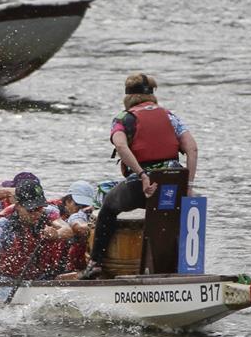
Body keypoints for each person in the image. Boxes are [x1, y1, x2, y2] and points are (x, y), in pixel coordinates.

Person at [81, 73, 199, 279]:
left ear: (128, 97)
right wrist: (188, 185)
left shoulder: (124, 118)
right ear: (152, 96)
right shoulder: (170, 116)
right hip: (174, 182)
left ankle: (96, 263)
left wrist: (142, 175)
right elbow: (192, 149)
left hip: (144, 185)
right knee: (176, 213)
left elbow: (120, 144)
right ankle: (183, 265)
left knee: (108, 206)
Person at [0, 180, 73, 297]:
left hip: (42, 277)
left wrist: (56, 234)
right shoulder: (3, 225)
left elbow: (67, 230)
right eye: (31, 210)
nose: (36, 214)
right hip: (9, 280)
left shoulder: (49, 213)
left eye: (39, 208)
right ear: (18, 206)